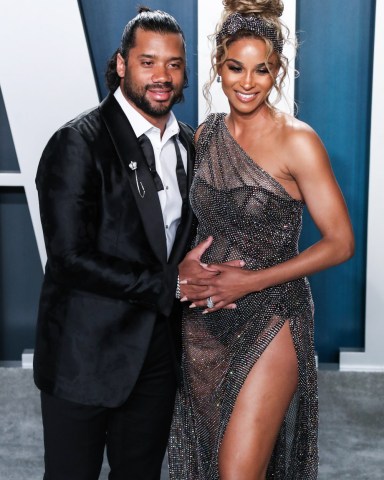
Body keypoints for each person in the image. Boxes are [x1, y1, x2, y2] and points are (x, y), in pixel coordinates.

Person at [168, 1, 355, 479]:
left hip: (273, 317)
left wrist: (250, 283)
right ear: (218, 67)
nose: (247, 82)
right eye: (236, 67)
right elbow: (194, 225)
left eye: (262, 70)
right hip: (204, 324)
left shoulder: (298, 141)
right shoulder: (206, 136)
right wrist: (183, 270)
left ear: (277, 73)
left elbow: (339, 242)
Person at [33, 7, 214, 480]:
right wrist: (171, 284)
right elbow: (69, 259)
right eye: (148, 61)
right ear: (121, 65)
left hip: (155, 355)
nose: (162, 76)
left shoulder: (190, 146)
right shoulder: (77, 142)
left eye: (174, 64)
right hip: (83, 355)